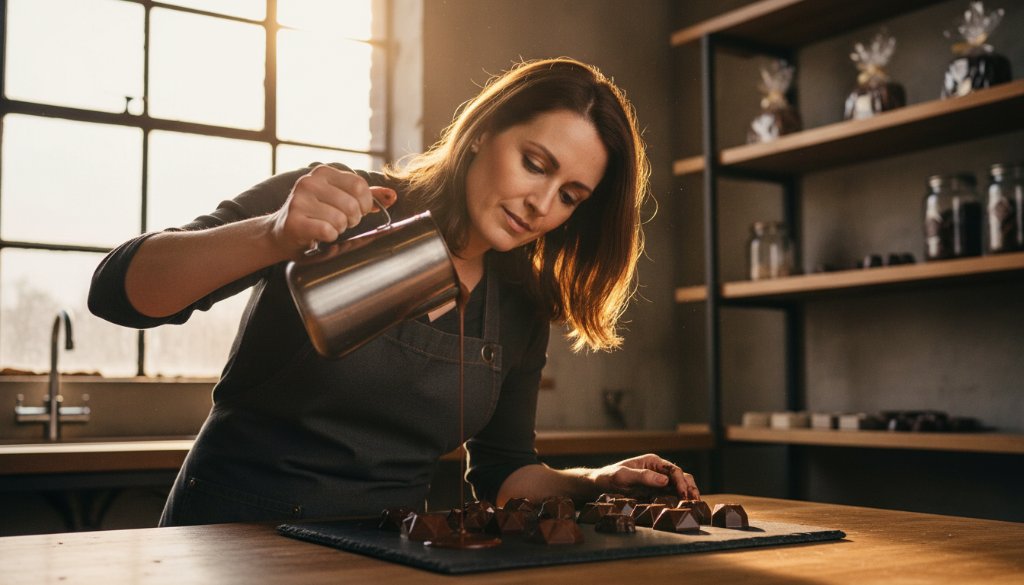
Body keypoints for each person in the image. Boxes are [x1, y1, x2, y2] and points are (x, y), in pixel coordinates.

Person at [89, 57, 700, 527]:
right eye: (535, 164)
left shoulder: (518, 300)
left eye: (570, 196)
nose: (541, 204)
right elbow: (118, 292)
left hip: (382, 555)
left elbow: (504, 473)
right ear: (484, 133)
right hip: (228, 540)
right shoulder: (341, 203)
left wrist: (596, 479)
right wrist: (275, 234)